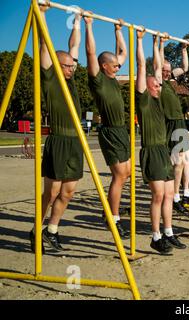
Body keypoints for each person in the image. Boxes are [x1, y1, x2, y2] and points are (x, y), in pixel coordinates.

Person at [30, 5, 83, 252]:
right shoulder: (51, 78)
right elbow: (44, 44)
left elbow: (74, 46)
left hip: (75, 142)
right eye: (67, 66)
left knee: (68, 192)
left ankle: (52, 230)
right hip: (59, 140)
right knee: (51, 192)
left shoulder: (71, 77)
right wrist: (41, 14)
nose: (71, 69)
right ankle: (35, 229)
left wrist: (78, 21)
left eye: (73, 66)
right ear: (56, 65)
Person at [135, 30, 186, 255]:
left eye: (158, 84)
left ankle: (168, 232)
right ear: (147, 87)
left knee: (167, 194)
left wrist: (159, 43)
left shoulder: (161, 100)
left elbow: (157, 70)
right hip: (151, 152)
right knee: (157, 195)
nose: (158, 86)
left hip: (163, 150)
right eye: (154, 84)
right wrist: (140, 41)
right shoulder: (144, 100)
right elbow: (143, 67)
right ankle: (155, 235)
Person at [84, 13, 130, 238]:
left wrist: (118, 31)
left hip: (122, 130)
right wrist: (89, 25)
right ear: (104, 66)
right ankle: (113, 217)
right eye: (114, 66)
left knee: (128, 173)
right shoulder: (98, 79)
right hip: (110, 131)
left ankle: (112, 210)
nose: (118, 68)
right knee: (119, 175)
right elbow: (91, 53)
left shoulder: (112, 77)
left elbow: (124, 53)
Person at [159, 36, 189, 216]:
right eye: (164, 70)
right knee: (178, 161)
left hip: (180, 122)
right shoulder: (158, 81)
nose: (167, 73)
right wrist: (161, 44)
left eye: (168, 70)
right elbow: (158, 64)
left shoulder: (170, 79)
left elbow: (185, 68)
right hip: (170, 123)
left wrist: (184, 49)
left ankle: (185, 192)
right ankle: (176, 196)